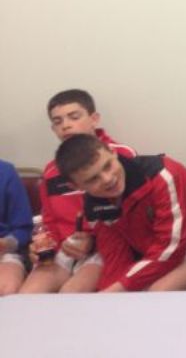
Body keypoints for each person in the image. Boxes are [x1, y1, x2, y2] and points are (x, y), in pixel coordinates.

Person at [54, 134, 186, 291]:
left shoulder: (164, 174)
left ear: (113, 152)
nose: (108, 179)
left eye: (108, 166)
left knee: (158, 293)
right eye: (93, 179)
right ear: (76, 187)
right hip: (154, 253)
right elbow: (116, 256)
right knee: (118, 295)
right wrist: (111, 294)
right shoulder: (93, 204)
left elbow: (170, 249)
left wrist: (119, 289)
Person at [19, 89, 137, 293]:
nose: (65, 125)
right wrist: (43, 247)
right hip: (64, 248)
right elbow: (49, 222)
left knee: (71, 294)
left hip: (105, 247)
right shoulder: (52, 170)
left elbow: (134, 218)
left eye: (74, 117)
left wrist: (93, 241)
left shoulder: (118, 156)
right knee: (28, 296)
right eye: (57, 121)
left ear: (94, 119)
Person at [0, 159, 33, 295]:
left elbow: (24, 229)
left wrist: (4, 244)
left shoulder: (6, 172)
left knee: (6, 290)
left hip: (5, 253)